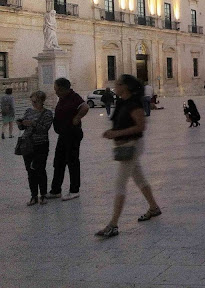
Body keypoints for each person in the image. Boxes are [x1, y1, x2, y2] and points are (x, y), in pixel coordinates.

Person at [95, 74, 161, 238]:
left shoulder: (133, 104)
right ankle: (154, 207)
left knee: (120, 185)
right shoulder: (122, 102)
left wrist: (116, 133)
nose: (114, 86)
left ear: (125, 87)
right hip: (125, 146)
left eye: (117, 84)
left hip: (131, 146)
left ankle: (113, 224)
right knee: (139, 179)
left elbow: (141, 127)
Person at [47, 78, 89, 201]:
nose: (55, 92)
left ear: (62, 88)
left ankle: (74, 190)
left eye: (56, 89)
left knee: (72, 162)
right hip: (63, 134)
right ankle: (55, 190)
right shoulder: (62, 98)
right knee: (59, 162)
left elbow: (85, 107)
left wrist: (77, 118)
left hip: (72, 134)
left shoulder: (73, 96)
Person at [18, 91, 53, 206]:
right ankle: (33, 196)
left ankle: (43, 195)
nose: (33, 103)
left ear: (41, 101)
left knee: (40, 169)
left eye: (35, 101)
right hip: (27, 144)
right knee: (30, 171)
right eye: (32, 101)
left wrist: (32, 123)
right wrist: (21, 123)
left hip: (41, 144)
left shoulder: (47, 113)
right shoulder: (28, 111)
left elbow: (44, 129)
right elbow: (23, 127)